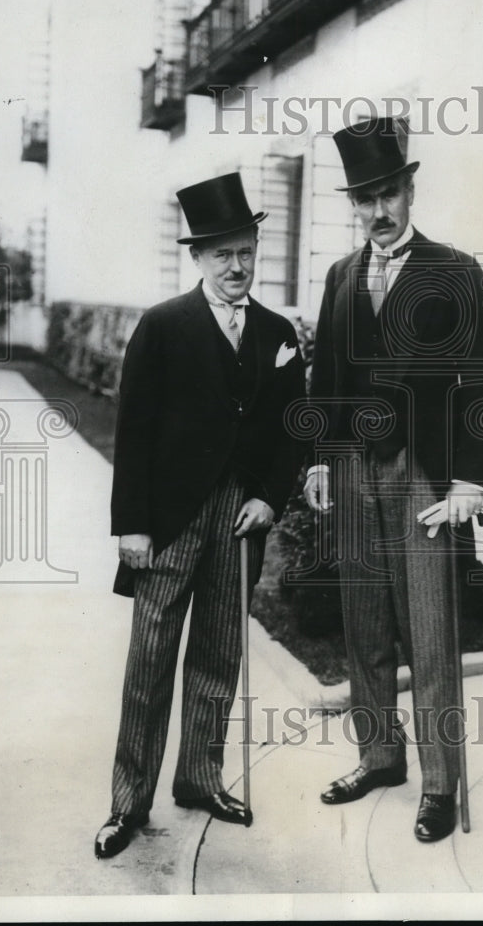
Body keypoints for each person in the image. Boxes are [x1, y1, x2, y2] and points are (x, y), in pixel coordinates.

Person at [304, 118, 483, 842]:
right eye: (365, 199)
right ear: (353, 205)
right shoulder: (338, 277)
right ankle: (378, 755)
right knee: (365, 624)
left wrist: (470, 483)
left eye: (388, 192)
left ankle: (440, 785)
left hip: (423, 475)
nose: (378, 210)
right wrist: (322, 460)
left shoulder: (453, 271)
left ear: (409, 189)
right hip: (354, 469)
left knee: (429, 630)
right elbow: (325, 377)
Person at [95, 172, 306, 859]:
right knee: (150, 661)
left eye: (246, 250)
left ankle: (200, 778)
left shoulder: (278, 333)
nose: (238, 265)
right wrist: (132, 524)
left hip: (238, 522)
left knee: (219, 656)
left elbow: (292, 430)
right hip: (170, 519)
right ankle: (127, 805)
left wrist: (270, 497)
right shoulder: (161, 326)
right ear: (197, 258)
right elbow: (133, 429)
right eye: (222, 254)